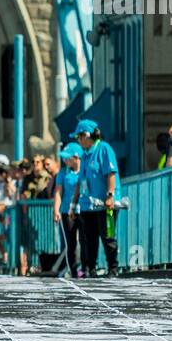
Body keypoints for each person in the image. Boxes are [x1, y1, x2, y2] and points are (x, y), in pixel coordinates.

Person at [70, 119, 119, 277]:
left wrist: (110, 195)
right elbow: (80, 182)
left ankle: (113, 268)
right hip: (87, 204)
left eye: (79, 137)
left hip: (105, 204)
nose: (78, 141)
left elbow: (111, 173)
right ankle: (91, 268)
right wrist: (73, 204)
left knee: (107, 235)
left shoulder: (104, 149)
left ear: (87, 135)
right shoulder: (84, 155)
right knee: (89, 238)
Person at [52, 143, 84, 278]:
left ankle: (86, 268)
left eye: (67, 158)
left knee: (85, 240)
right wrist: (56, 210)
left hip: (84, 210)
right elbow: (58, 192)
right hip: (67, 211)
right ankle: (74, 270)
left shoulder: (85, 170)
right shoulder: (63, 172)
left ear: (76, 157)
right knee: (71, 243)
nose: (64, 160)